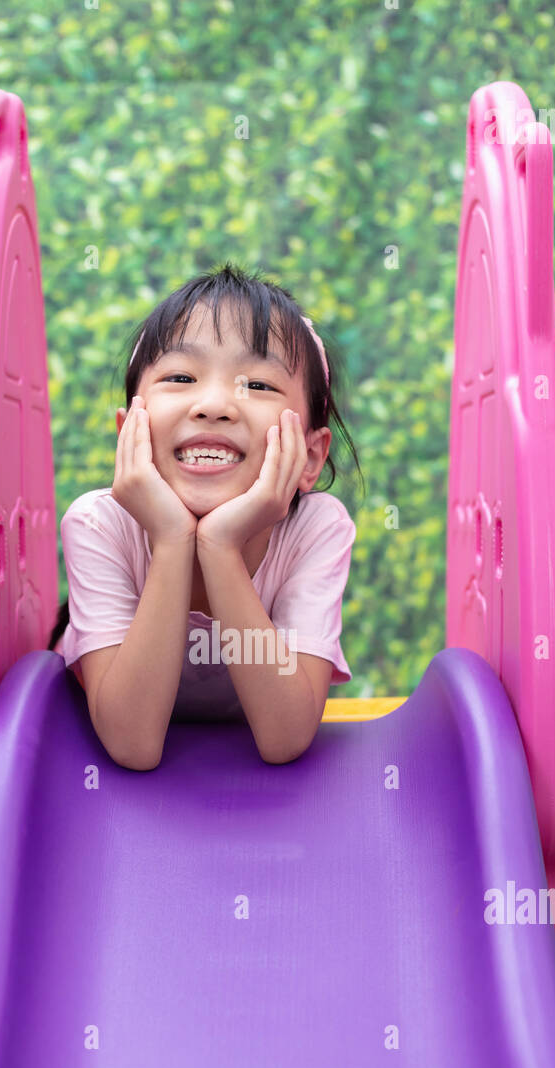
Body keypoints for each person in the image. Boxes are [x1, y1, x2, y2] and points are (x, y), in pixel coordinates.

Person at [47, 262, 365, 769]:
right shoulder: (98, 524)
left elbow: (285, 737)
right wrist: (173, 539)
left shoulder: (315, 530)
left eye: (258, 385)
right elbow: (133, 744)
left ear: (310, 456)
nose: (214, 404)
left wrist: (219, 547)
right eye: (180, 377)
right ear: (129, 431)